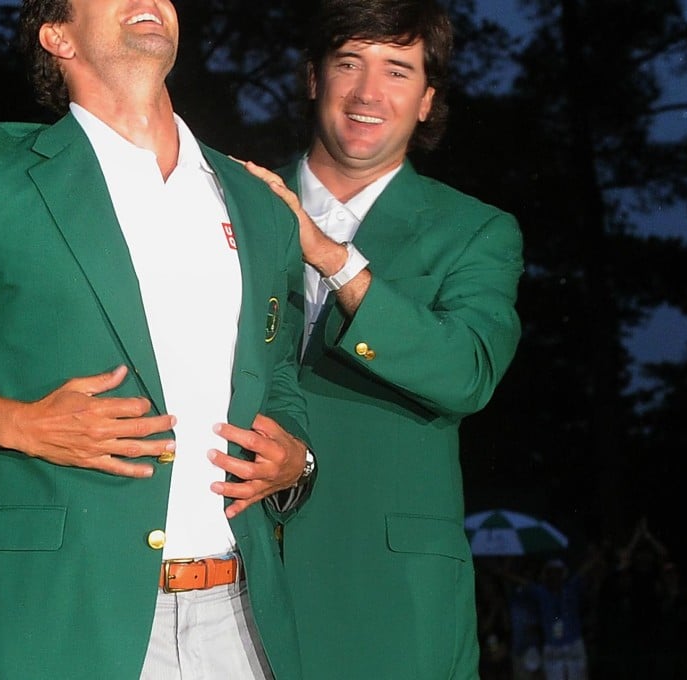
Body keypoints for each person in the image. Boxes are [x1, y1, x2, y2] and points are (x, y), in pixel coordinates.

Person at [0, 1, 314, 679]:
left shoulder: (258, 201)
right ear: (57, 35)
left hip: (240, 612)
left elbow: (279, 371)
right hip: (60, 614)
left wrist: (296, 457)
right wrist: (15, 423)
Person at [241, 0, 524, 676]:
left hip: (392, 602)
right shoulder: (228, 202)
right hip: (228, 579)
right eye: (350, 64)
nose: (370, 93)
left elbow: (467, 372)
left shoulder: (476, 231)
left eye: (398, 71)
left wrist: (335, 259)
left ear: (427, 100)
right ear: (313, 78)